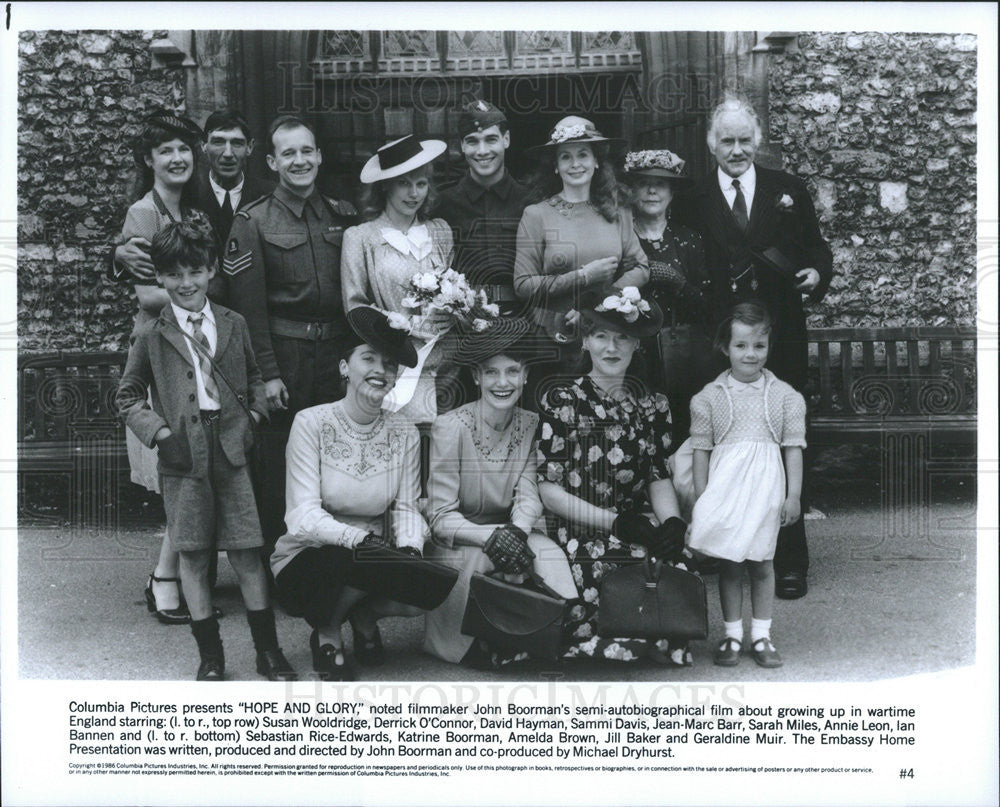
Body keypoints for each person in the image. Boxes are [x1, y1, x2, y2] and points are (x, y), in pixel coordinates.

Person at [116, 221, 296, 681]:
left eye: (195, 271)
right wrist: (160, 436)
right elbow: (128, 396)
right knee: (194, 554)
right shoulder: (152, 335)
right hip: (182, 454)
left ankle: (268, 652)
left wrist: (253, 420)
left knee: (247, 552)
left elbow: (254, 380)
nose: (186, 283)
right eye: (173, 274)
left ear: (212, 269)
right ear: (159, 277)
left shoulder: (234, 323)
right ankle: (210, 657)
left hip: (231, 450)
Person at [675, 96, 833, 600]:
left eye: (745, 140)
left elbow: (816, 247)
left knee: (781, 441)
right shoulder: (693, 198)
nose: (737, 149)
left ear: (758, 140)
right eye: (727, 140)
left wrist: (817, 272)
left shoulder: (788, 190)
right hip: (718, 340)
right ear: (711, 145)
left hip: (779, 337)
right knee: (725, 443)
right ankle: (722, 548)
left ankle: (788, 561)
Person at [535, 286, 696, 665]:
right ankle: (625, 638)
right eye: (601, 336)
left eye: (622, 338)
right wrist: (616, 523)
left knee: (678, 563)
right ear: (586, 341)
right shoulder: (563, 400)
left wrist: (672, 522)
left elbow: (657, 475)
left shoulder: (652, 404)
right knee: (618, 566)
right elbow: (548, 490)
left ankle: (652, 636)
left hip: (634, 521)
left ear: (636, 345)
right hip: (579, 526)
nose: (612, 347)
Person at [270, 306, 427, 681]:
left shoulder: (405, 432)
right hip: (310, 554)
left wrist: (410, 551)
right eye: (368, 357)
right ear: (345, 367)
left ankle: (366, 615)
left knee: (422, 580)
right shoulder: (311, 423)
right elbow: (302, 515)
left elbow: (406, 507)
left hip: (374, 552)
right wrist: (362, 542)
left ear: (396, 377)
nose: (379, 370)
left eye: (389, 364)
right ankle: (327, 632)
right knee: (353, 562)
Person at [224, 114, 357, 553]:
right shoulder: (253, 221)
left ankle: (335, 560)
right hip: (287, 358)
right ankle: (282, 565)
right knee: (281, 463)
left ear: (318, 156)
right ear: (271, 161)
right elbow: (248, 310)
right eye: (288, 153)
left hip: (336, 356)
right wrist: (267, 374)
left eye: (306, 151)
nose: (299, 161)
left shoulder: (343, 215)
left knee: (337, 456)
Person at [423, 318, 576, 667]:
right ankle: (460, 645)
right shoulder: (450, 427)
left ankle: (558, 635)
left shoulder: (533, 424)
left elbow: (528, 494)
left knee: (549, 553)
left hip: (510, 529)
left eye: (512, 371)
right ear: (476, 377)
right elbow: (441, 517)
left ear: (524, 376)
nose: (502, 382)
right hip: (461, 537)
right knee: (479, 559)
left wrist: (517, 532)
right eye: (491, 373)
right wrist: (494, 536)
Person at [117, 110, 211, 625]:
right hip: (161, 351)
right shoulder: (144, 213)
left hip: (192, 345)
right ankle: (165, 578)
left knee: (192, 464)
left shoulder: (190, 208)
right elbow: (149, 294)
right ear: (149, 159)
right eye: (166, 151)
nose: (178, 158)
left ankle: (172, 575)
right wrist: (204, 295)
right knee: (181, 463)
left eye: (184, 149)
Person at [688, 302, 806, 669]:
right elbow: (701, 453)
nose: (750, 354)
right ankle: (732, 636)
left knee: (762, 563)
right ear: (726, 348)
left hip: (766, 489)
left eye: (759, 345)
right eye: (741, 346)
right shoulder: (708, 398)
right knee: (730, 565)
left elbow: (793, 450)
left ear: (769, 347)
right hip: (725, 490)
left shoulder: (786, 397)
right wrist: (702, 499)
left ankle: (762, 636)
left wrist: (794, 496)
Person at [341, 134, 456, 421]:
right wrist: (406, 325)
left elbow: (453, 291)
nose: (414, 193)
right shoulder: (361, 237)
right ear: (385, 187)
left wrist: (453, 313)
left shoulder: (440, 231)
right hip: (395, 364)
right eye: (403, 183)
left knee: (441, 454)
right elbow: (355, 307)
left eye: (420, 183)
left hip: (445, 362)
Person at [111, 109, 275, 295]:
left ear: (250, 147)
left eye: (237, 143)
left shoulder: (270, 195)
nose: (228, 153)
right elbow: (148, 290)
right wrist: (116, 254)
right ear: (204, 146)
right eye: (219, 142)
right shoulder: (192, 197)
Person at [623, 149, 712, 442]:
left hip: (680, 354)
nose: (651, 191)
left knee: (680, 433)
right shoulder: (619, 237)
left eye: (660, 184)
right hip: (632, 354)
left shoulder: (689, 240)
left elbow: (708, 308)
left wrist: (678, 282)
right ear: (632, 190)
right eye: (643, 183)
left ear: (672, 192)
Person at [434, 100, 530, 316]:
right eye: (472, 142)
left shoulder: (531, 200)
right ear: (461, 146)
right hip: (461, 319)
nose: (482, 151)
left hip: (523, 316)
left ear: (506, 140)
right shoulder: (443, 204)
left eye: (491, 139)